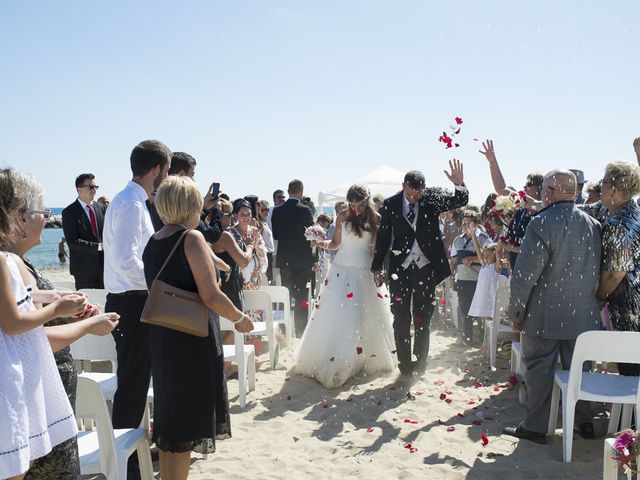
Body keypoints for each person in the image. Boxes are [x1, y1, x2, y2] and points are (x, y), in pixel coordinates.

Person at [3, 170, 119, 479]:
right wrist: (84, 321)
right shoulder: (8, 262)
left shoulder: (14, 263)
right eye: (43, 212)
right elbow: (29, 335)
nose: (46, 218)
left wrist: (58, 301)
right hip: (35, 407)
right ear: (20, 218)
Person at [142, 176, 252, 480]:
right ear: (190, 205)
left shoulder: (154, 241)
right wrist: (240, 318)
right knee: (186, 426)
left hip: (164, 338)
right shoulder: (192, 238)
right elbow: (211, 295)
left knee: (171, 426)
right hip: (192, 339)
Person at [503, 170, 601, 444]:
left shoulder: (541, 223)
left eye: (545, 188)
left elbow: (524, 277)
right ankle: (583, 421)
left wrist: (515, 313)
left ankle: (535, 427)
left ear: (549, 192)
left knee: (538, 371)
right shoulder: (593, 224)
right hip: (583, 316)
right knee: (581, 371)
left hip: (544, 316)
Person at [102, 141, 170, 450]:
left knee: (137, 380)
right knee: (132, 383)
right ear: (155, 169)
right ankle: (124, 457)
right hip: (131, 302)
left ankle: (129, 452)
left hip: (131, 299)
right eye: (166, 170)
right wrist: (159, 282)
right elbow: (124, 260)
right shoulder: (130, 204)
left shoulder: (130, 200)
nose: (167, 177)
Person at [371, 161, 469, 375]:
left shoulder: (431, 199)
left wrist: (459, 183)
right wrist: (377, 267)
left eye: (419, 192)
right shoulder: (390, 204)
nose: (416, 196)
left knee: (423, 315)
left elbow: (459, 200)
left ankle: (421, 359)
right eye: (412, 191)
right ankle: (405, 363)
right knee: (401, 315)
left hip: (426, 266)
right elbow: (384, 237)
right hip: (400, 267)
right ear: (404, 185)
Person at [294, 184, 396, 388]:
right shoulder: (342, 215)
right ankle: (340, 360)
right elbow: (335, 244)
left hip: (364, 269)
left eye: (359, 205)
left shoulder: (376, 218)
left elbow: (376, 249)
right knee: (340, 315)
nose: (355, 209)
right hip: (340, 269)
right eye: (352, 205)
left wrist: (377, 270)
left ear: (366, 201)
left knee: (364, 315)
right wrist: (320, 242)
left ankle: (361, 358)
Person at [593, 162, 640, 377]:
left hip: (630, 311)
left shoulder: (620, 223)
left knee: (631, 372)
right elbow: (585, 209)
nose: (599, 187)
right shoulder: (616, 209)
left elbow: (615, 274)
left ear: (613, 189)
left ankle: (630, 411)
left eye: (602, 183)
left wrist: (599, 298)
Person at [271, 179, 315, 336]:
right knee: (302, 295)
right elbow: (310, 236)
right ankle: (300, 330)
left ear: (288, 191)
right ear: (301, 192)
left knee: (286, 295)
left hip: (285, 260)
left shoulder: (277, 211)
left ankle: (284, 330)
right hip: (302, 260)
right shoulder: (305, 210)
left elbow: (275, 235)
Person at [450, 210, 491, 344]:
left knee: (480, 309)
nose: (465, 226)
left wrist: (473, 258)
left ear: (476, 224)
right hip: (462, 279)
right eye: (463, 224)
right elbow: (454, 262)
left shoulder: (484, 238)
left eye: (468, 223)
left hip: (479, 279)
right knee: (464, 308)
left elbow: (490, 258)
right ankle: (466, 337)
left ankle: (482, 338)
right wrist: (452, 278)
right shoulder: (457, 240)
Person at [62, 173, 106, 289]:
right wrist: (98, 246)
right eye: (91, 187)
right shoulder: (69, 212)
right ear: (79, 189)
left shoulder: (102, 208)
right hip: (83, 270)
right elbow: (72, 242)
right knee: (88, 305)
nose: (94, 190)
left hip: (105, 267)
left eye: (96, 187)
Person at [257, 200, 275, 282]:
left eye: (267, 209)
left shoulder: (265, 223)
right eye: (263, 210)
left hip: (269, 254)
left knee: (269, 279)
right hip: (263, 254)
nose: (266, 212)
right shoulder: (259, 224)